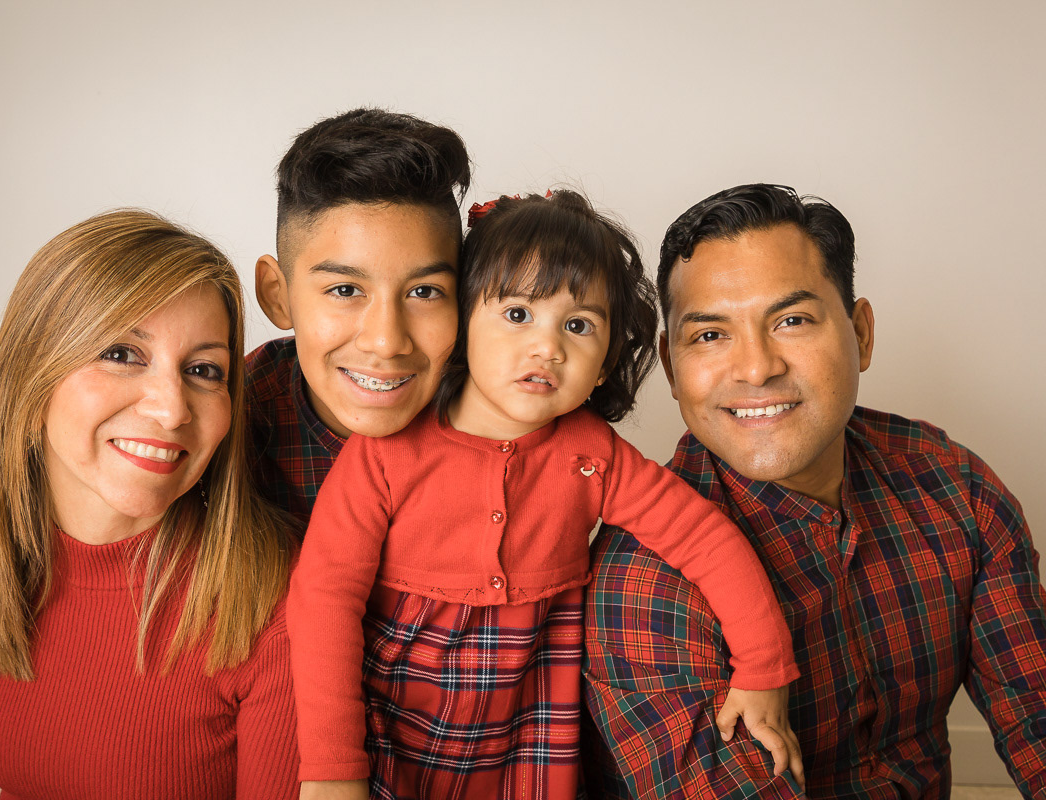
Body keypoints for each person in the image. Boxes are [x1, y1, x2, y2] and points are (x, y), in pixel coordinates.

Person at [289, 190, 803, 800]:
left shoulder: (593, 455)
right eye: (517, 314)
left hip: (527, 730)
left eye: (578, 326)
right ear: (462, 323)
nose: (548, 347)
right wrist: (333, 767)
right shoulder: (386, 451)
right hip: (390, 724)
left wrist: (763, 668)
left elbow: (705, 539)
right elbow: (324, 600)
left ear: (606, 362)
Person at [584, 184, 1046, 798]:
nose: (757, 368)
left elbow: (1036, 712)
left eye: (792, 321)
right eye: (711, 335)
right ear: (670, 366)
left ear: (862, 334)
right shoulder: (645, 576)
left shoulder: (952, 486)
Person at [0, 210, 300, 799]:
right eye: (122, 354)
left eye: (203, 370)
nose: (171, 409)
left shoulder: (278, 603)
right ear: (32, 375)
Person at [248, 107, 471, 523]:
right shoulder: (226, 428)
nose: (386, 342)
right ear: (277, 297)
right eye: (345, 290)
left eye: (424, 292)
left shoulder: (504, 411)